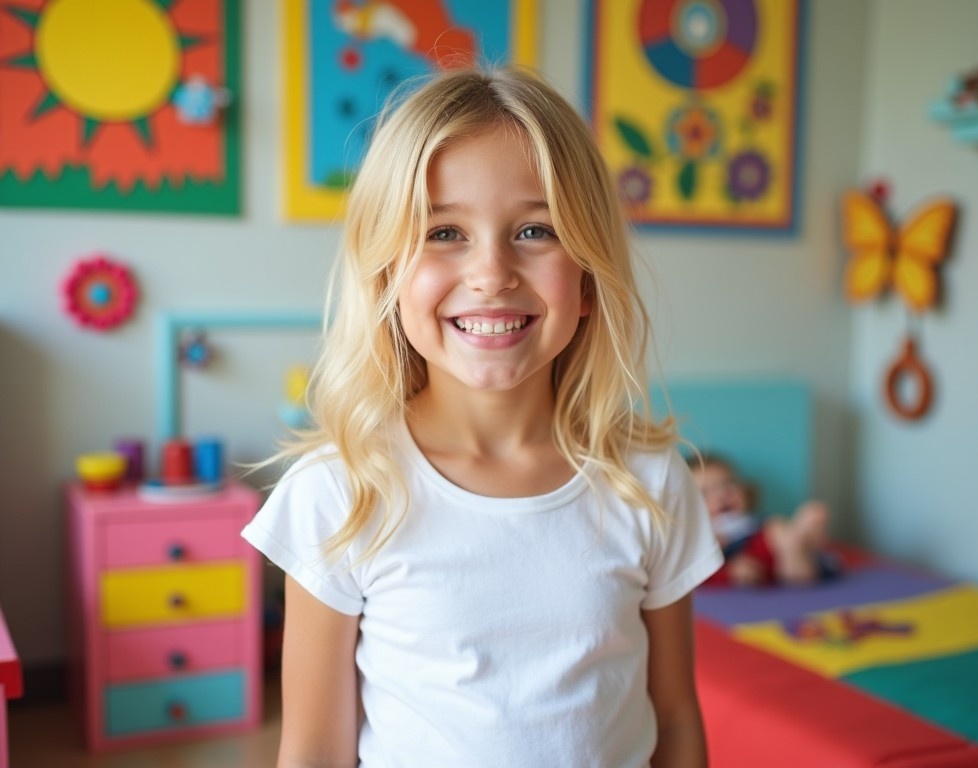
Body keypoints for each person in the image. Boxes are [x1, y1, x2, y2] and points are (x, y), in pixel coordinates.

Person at [242, 65, 723, 768]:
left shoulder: (648, 482)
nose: (491, 272)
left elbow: (675, 718)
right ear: (387, 276)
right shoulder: (340, 492)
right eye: (443, 233)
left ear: (588, 278)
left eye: (535, 230)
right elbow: (314, 749)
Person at [688, 454, 838, 587]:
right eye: (705, 492)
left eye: (729, 484)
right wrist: (730, 572)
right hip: (752, 563)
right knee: (778, 530)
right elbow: (696, 574)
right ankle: (797, 541)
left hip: (776, 554)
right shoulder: (702, 536)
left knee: (777, 527)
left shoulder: (752, 521)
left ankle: (803, 541)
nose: (722, 495)